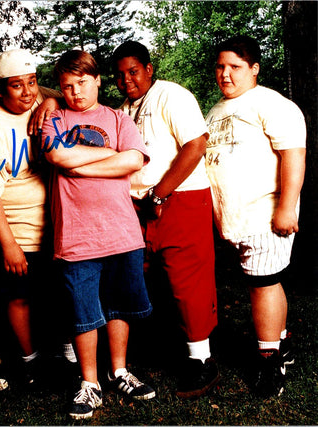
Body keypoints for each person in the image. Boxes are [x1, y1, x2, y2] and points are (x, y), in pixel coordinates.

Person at [41, 50, 155, 420]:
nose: (75, 91)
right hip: (76, 235)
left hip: (121, 230)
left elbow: (134, 160)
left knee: (121, 304)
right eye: (66, 86)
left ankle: (119, 370)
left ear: (98, 80)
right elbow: (58, 159)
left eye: (82, 82)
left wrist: (84, 161)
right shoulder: (53, 118)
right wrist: (109, 156)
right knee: (83, 310)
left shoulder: (118, 118)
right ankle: (89, 382)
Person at [112, 41, 220, 398]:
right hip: (139, 202)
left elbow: (195, 145)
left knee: (188, 277)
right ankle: (165, 349)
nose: (127, 79)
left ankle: (202, 359)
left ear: (149, 68)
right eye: (120, 74)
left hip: (179, 196)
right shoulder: (121, 109)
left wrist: (160, 193)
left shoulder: (172, 96)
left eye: (134, 71)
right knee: (147, 277)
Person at [205, 35, 306, 398]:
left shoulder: (271, 103)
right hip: (235, 217)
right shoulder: (216, 109)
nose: (225, 74)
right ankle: (282, 343)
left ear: (254, 69)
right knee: (260, 283)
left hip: (265, 212)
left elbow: (294, 154)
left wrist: (286, 206)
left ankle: (270, 362)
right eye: (220, 66)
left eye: (234, 67)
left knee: (264, 284)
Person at [0, 49, 61, 386]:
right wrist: (8, 245)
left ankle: (62, 353)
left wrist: (48, 103)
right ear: (0, 89)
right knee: (19, 296)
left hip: (51, 224)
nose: (27, 92)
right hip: (13, 228)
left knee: (55, 292)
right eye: (17, 86)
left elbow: (63, 95)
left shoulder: (38, 103)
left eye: (32, 83)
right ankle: (29, 360)